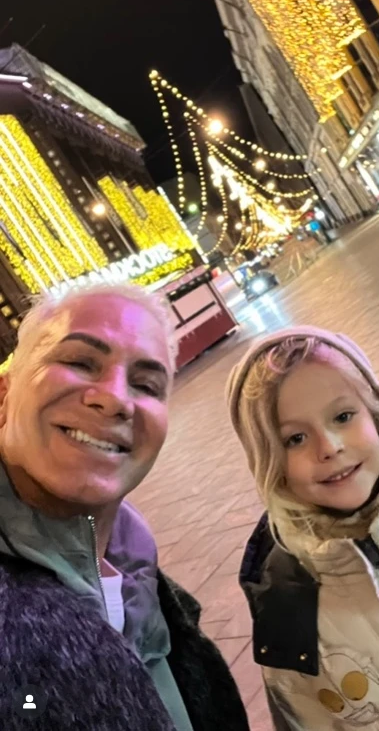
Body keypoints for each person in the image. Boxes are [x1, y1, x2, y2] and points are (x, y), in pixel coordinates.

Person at [0, 282, 250, 731]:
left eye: (146, 385)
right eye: (79, 362)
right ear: (4, 396)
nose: (116, 398)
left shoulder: (138, 576)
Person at [226, 326, 379, 730]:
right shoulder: (286, 610)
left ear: (378, 412)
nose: (329, 447)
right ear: (268, 462)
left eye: (343, 417)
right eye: (295, 438)